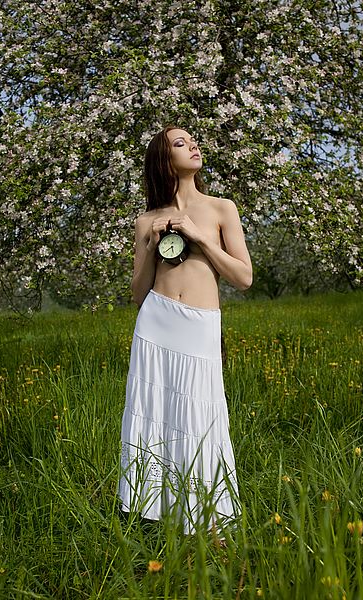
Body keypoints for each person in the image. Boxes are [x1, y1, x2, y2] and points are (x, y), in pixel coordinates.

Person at [118, 125, 252, 536]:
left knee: (200, 415)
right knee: (154, 414)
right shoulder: (147, 219)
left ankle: (209, 522)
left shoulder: (220, 208)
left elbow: (243, 277)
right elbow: (139, 292)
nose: (193, 144)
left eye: (193, 139)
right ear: (163, 158)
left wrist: (200, 239)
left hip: (199, 326)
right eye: (181, 142)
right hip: (155, 323)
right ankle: (156, 515)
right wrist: (148, 242)